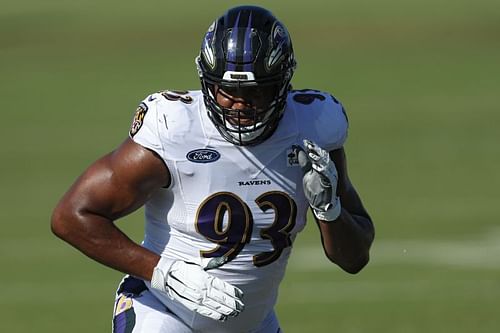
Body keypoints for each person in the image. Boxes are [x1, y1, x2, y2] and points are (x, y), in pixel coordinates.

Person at [51, 5, 375, 333]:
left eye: (256, 91)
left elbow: (354, 258)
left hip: (253, 324)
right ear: (207, 82)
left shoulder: (314, 129)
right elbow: (72, 216)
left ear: (283, 82)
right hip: (162, 309)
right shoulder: (175, 130)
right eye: (228, 90)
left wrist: (329, 209)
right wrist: (162, 271)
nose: (239, 104)